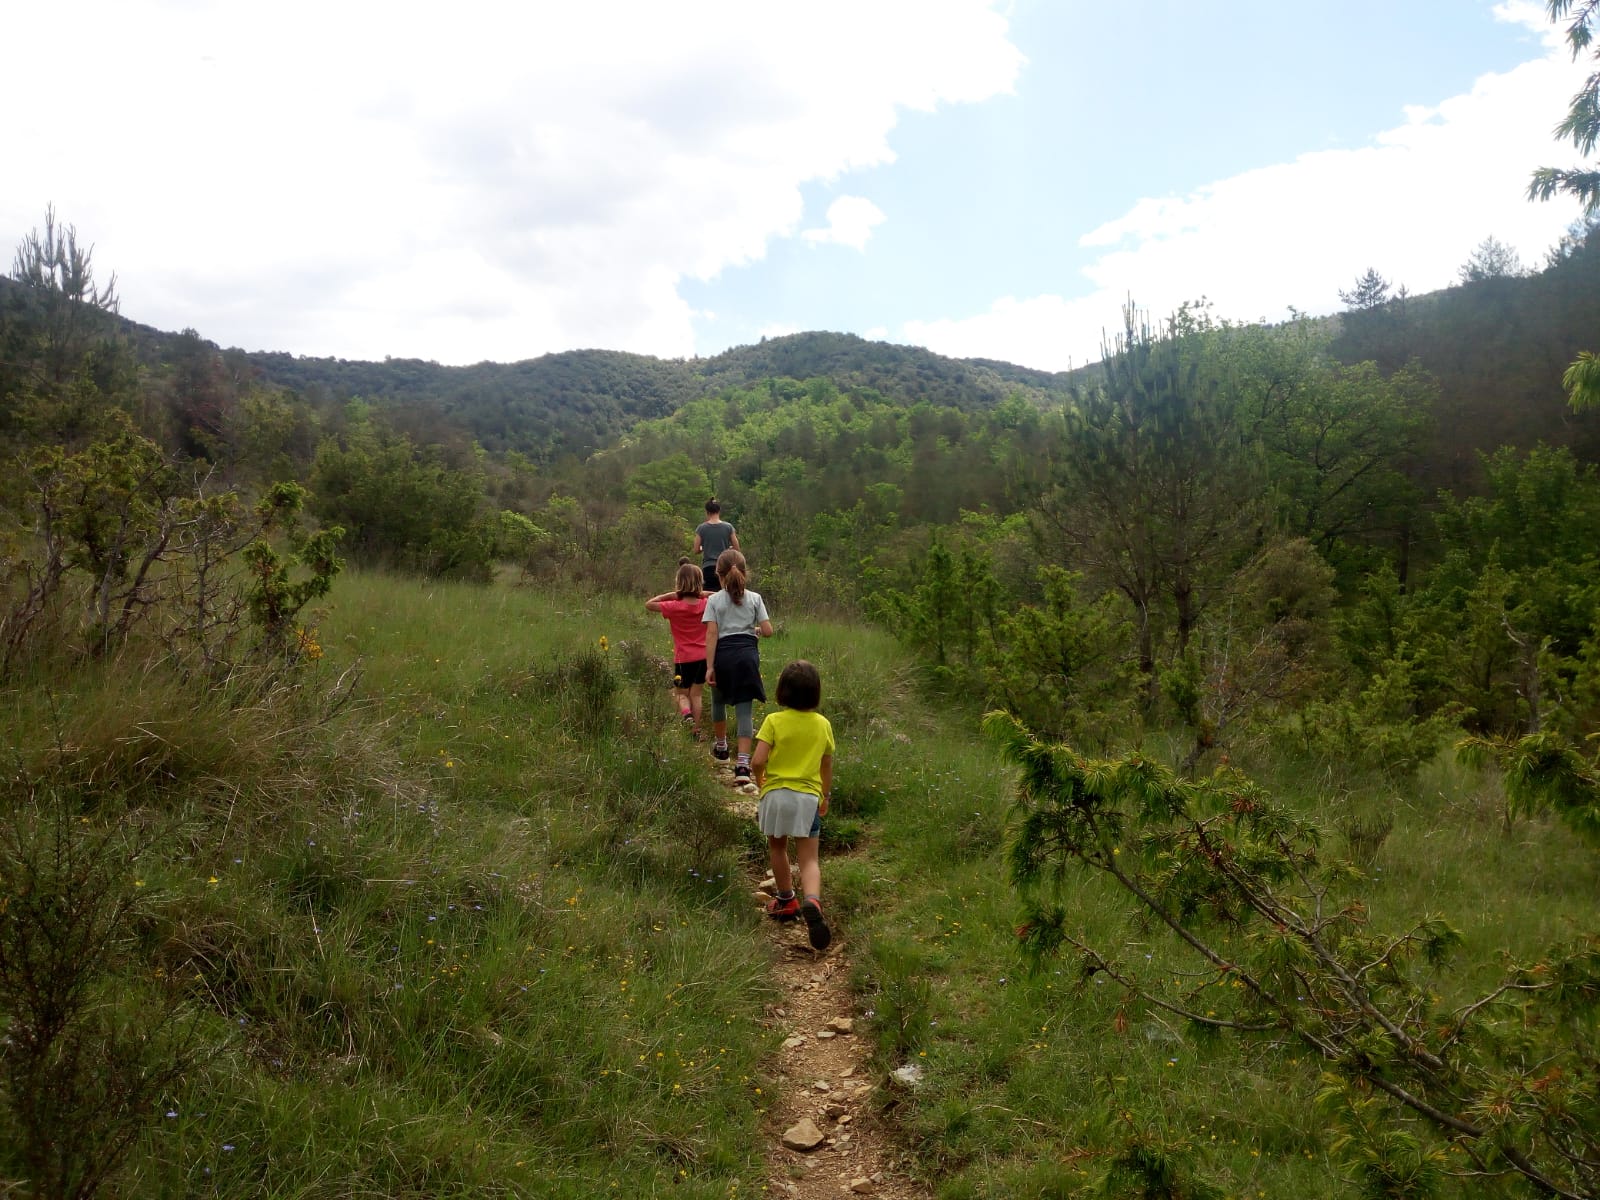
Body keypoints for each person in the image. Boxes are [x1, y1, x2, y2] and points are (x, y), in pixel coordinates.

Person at [752, 660, 833, 951]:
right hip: (808, 798)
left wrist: (760, 778)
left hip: (776, 795)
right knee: (809, 858)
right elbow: (826, 764)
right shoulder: (823, 725)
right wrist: (824, 795)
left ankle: (786, 899)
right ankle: (812, 899)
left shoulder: (774, 721)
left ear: (782, 692)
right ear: (815, 693)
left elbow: (758, 760)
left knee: (778, 847)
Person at [702, 548, 772, 778]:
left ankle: (721, 747)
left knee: (718, 701)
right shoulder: (755, 598)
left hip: (723, 656)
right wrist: (755, 629)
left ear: (718, 574)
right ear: (745, 573)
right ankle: (743, 764)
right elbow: (769, 631)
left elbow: (712, 634)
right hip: (747, 658)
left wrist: (710, 667)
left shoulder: (713, 600)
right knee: (744, 711)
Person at [645, 561, 709, 735]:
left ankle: (686, 715)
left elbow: (649, 604)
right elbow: (720, 595)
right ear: (700, 582)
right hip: (704, 657)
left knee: (680, 694)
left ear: (678, 582)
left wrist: (673, 595)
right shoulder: (706, 603)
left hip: (683, 658)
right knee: (696, 695)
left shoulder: (673, 606)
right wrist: (702, 593)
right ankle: (696, 730)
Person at [693, 499, 740, 593]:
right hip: (724, 567)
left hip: (708, 568)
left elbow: (696, 550)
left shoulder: (701, 528)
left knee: (709, 598)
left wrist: (705, 547)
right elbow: (737, 548)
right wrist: (728, 548)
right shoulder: (728, 527)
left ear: (707, 512)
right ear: (719, 511)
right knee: (726, 596)